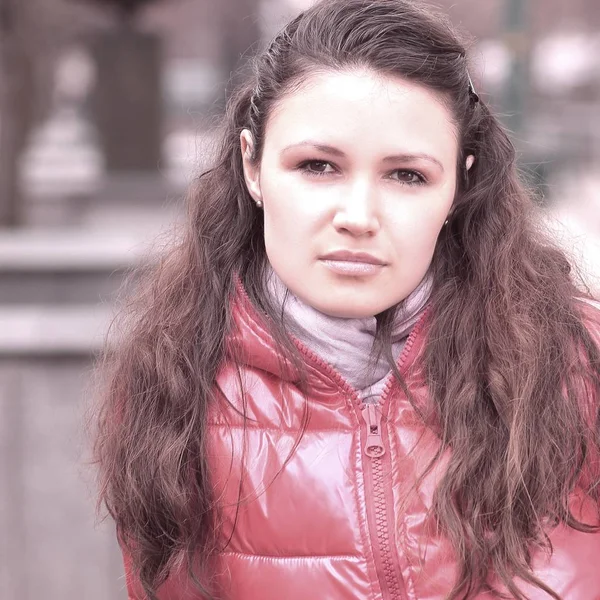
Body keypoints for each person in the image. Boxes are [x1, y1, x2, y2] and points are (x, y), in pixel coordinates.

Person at [93, 0, 600, 598]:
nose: (358, 217)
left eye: (406, 175)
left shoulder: (573, 361)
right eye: (317, 166)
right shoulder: (172, 384)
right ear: (252, 166)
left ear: (461, 180)